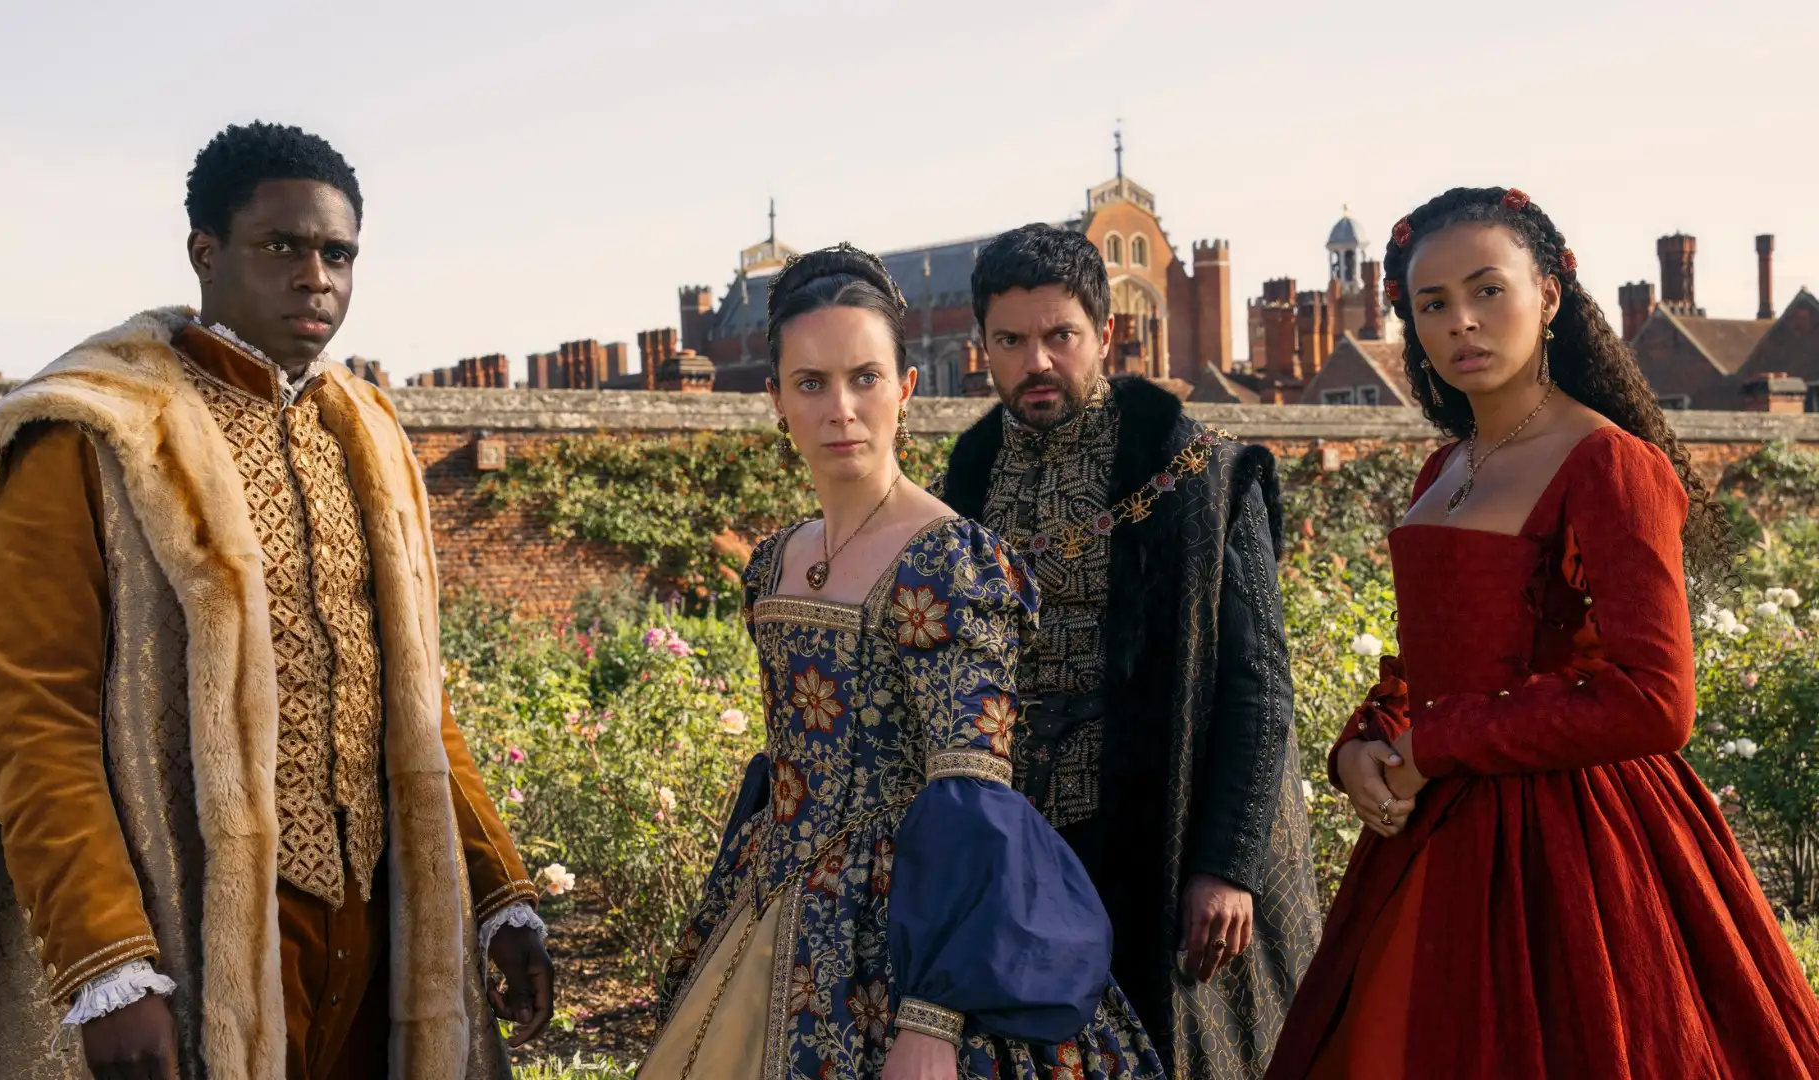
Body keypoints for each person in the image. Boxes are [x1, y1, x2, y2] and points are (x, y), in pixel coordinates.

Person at [0, 122, 553, 1079]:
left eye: (339, 254)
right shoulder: (93, 429)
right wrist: (107, 964)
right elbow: (30, 715)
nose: (315, 276)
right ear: (206, 252)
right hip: (193, 923)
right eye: (281, 246)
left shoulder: (369, 434)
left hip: (383, 933)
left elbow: (414, 700)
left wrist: (499, 893)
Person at [1267, 187, 1819, 1079]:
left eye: (1489, 291)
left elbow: (1654, 700)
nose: (1463, 324)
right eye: (1434, 305)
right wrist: (1365, 742)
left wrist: (1436, 745)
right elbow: (1434, 657)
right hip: (1431, 839)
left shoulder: (1608, 462)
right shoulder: (1444, 468)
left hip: (1579, 851)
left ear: (1550, 295)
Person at [641, 244, 1165, 1080]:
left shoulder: (949, 562)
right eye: (810, 383)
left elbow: (976, 795)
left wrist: (931, 1021)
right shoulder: (774, 563)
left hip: (910, 935)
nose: (840, 408)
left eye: (865, 378)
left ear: (906, 388)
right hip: (769, 902)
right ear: (774, 400)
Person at [935, 223, 1319, 1078]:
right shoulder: (962, 482)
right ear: (983, 348)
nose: (1036, 360)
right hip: (1015, 840)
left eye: (1058, 335)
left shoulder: (1197, 472)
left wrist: (1226, 865)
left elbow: (1258, 686)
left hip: (1159, 825)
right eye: (1012, 340)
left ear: (1105, 335)